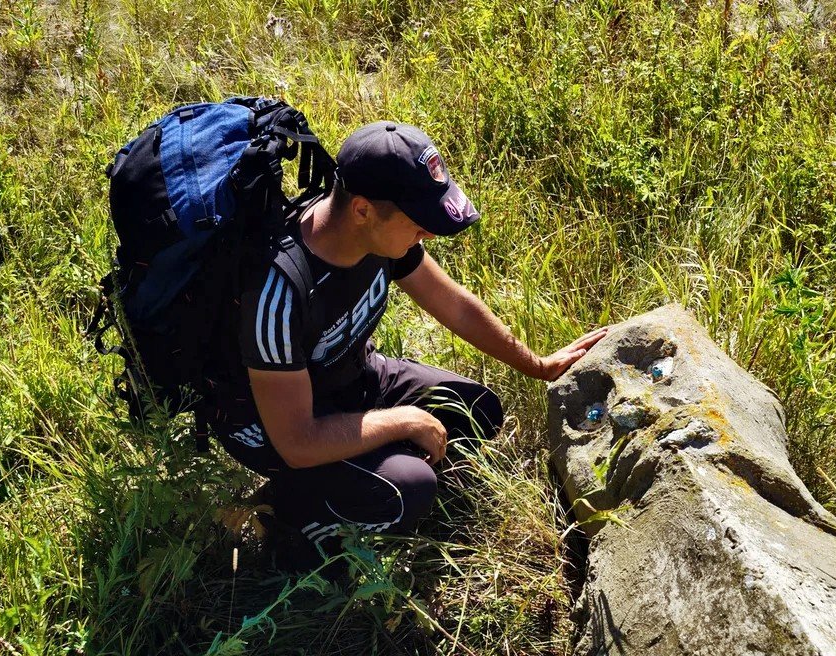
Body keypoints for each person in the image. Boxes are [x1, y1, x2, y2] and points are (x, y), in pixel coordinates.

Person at [205, 121, 607, 562]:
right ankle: (279, 513)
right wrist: (403, 422)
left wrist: (537, 363)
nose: (429, 233)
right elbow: (297, 440)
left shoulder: (378, 238)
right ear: (362, 210)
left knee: (478, 411)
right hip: (282, 428)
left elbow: (453, 305)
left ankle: (359, 468)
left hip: (352, 380)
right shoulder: (278, 294)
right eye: (418, 222)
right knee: (408, 491)